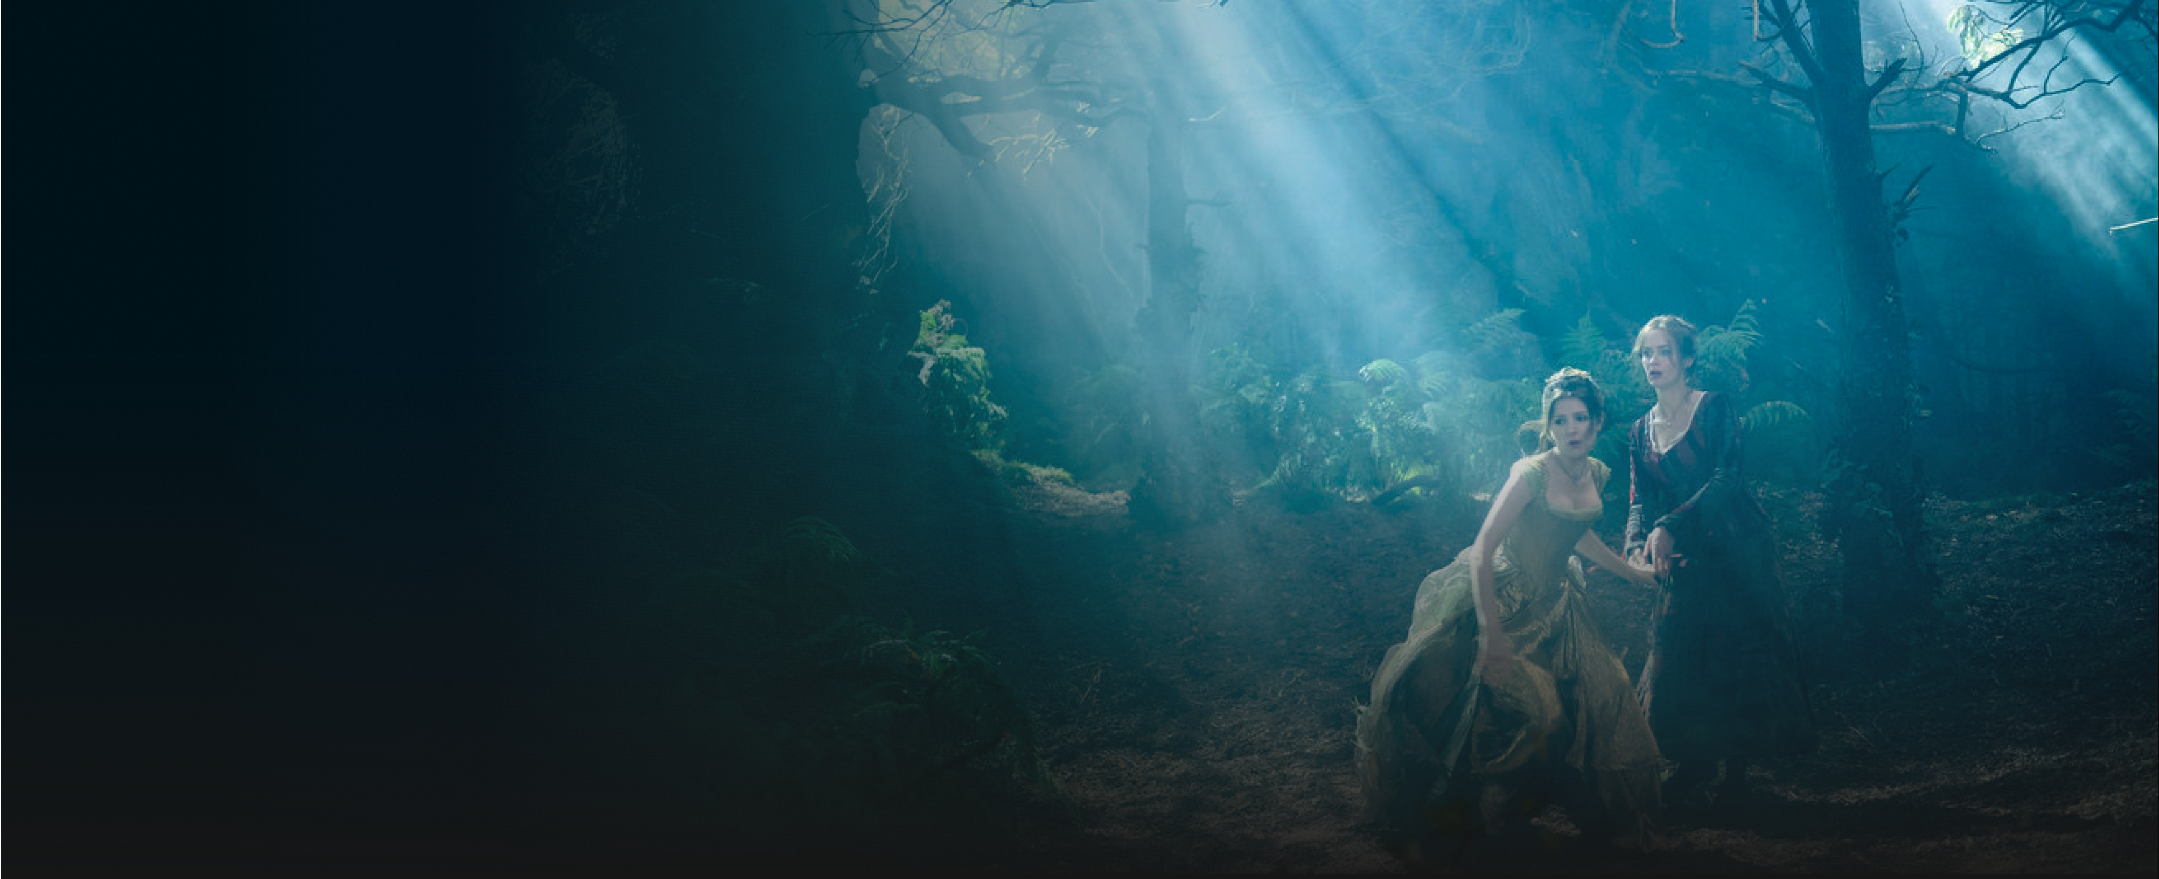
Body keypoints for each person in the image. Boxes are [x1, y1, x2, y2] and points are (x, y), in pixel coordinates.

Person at [1356, 368, 1665, 858]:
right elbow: (1483, 549)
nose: (1571, 429)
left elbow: (1575, 535)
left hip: (1560, 606)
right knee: (1539, 713)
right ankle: (1482, 811)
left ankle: (1580, 814)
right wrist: (1491, 636)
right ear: (1548, 425)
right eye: (1559, 420)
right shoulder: (1530, 473)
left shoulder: (1596, 472)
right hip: (1509, 603)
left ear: (1597, 421)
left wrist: (1632, 573)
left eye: (1580, 418)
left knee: (1608, 696)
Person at [1624, 315, 1817, 809]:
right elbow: (1639, 499)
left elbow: (1727, 477)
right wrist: (1635, 544)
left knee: (1737, 654)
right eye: (1647, 353)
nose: (1653, 361)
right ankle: (1695, 762)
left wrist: (1670, 524)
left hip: (1736, 547)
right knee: (1680, 654)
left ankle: (1736, 776)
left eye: (1664, 351)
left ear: (1687, 358)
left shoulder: (1714, 407)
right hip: (1684, 555)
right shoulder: (1639, 430)